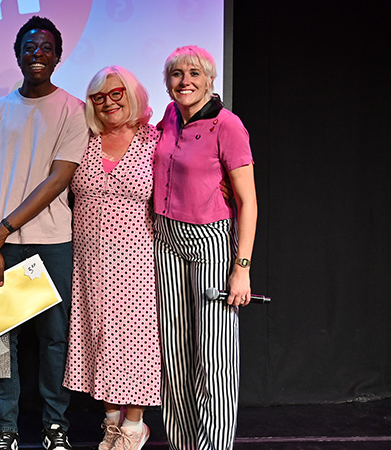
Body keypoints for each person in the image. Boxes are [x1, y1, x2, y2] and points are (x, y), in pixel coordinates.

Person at [0, 16, 89, 450]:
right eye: (30, 46)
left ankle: (55, 425)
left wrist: (3, 228)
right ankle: (6, 428)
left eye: (46, 47)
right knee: (2, 342)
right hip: (3, 247)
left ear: (58, 55)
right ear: (17, 53)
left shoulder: (73, 110)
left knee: (55, 339)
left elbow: (58, 180)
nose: (37, 53)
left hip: (52, 242)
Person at [153, 45, 257, 450]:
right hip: (166, 238)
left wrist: (242, 267)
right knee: (176, 360)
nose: (185, 81)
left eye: (194, 73)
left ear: (210, 80)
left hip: (209, 240)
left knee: (213, 360)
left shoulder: (228, 125)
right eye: (177, 74)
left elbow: (247, 201)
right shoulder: (169, 118)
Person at [62, 66, 161, 450]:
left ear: (133, 93)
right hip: (88, 262)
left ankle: (134, 426)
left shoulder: (155, 140)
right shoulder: (82, 140)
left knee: (135, 341)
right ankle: (110, 422)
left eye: (116, 93)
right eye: (98, 98)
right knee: (98, 338)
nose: (108, 103)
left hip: (138, 261)